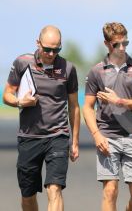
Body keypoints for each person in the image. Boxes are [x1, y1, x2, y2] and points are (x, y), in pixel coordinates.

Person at [2, 25, 80, 211]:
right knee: (28, 195)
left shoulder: (68, 68)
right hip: (29, 137)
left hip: (57, 136)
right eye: (47, 49)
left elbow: (74, 106)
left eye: (56, 49)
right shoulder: (22, 63)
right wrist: (21, 102)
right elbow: (7, 95)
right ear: (38, 43)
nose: (51, 53)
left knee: (55, 189)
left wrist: (74, 141)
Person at [83, 22, 132, 211]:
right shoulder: (96, 71)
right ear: (107, 44)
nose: (122, 48)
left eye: (125, 43)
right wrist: (96, 135)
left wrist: (120, 101)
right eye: (116, 44)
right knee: (110, 191)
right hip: (107, 137)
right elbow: (87, 108)